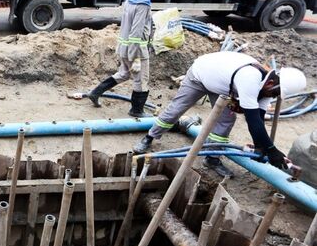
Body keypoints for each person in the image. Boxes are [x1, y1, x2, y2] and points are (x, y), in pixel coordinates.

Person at [132, 51, 307, 177]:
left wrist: (261, 147)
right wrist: (272, 150)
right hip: (201, 75)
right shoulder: (250, 78)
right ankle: (149, 137)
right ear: (271, 83)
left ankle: (212, 158)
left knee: (225, 121)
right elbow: (252, 120)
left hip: (222, 85)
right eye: (275, 93)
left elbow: (258, 121)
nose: (274, 97)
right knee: (176, 109)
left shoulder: (267, 90)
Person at [85, 0, 163, 117]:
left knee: (123, 74)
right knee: (141, 80)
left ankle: (95, 93)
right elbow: (136, 32)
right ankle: (137, 110)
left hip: (123, 47)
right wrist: (137, 58)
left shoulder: (130, 0)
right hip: (136, 50)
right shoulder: (143, 5)